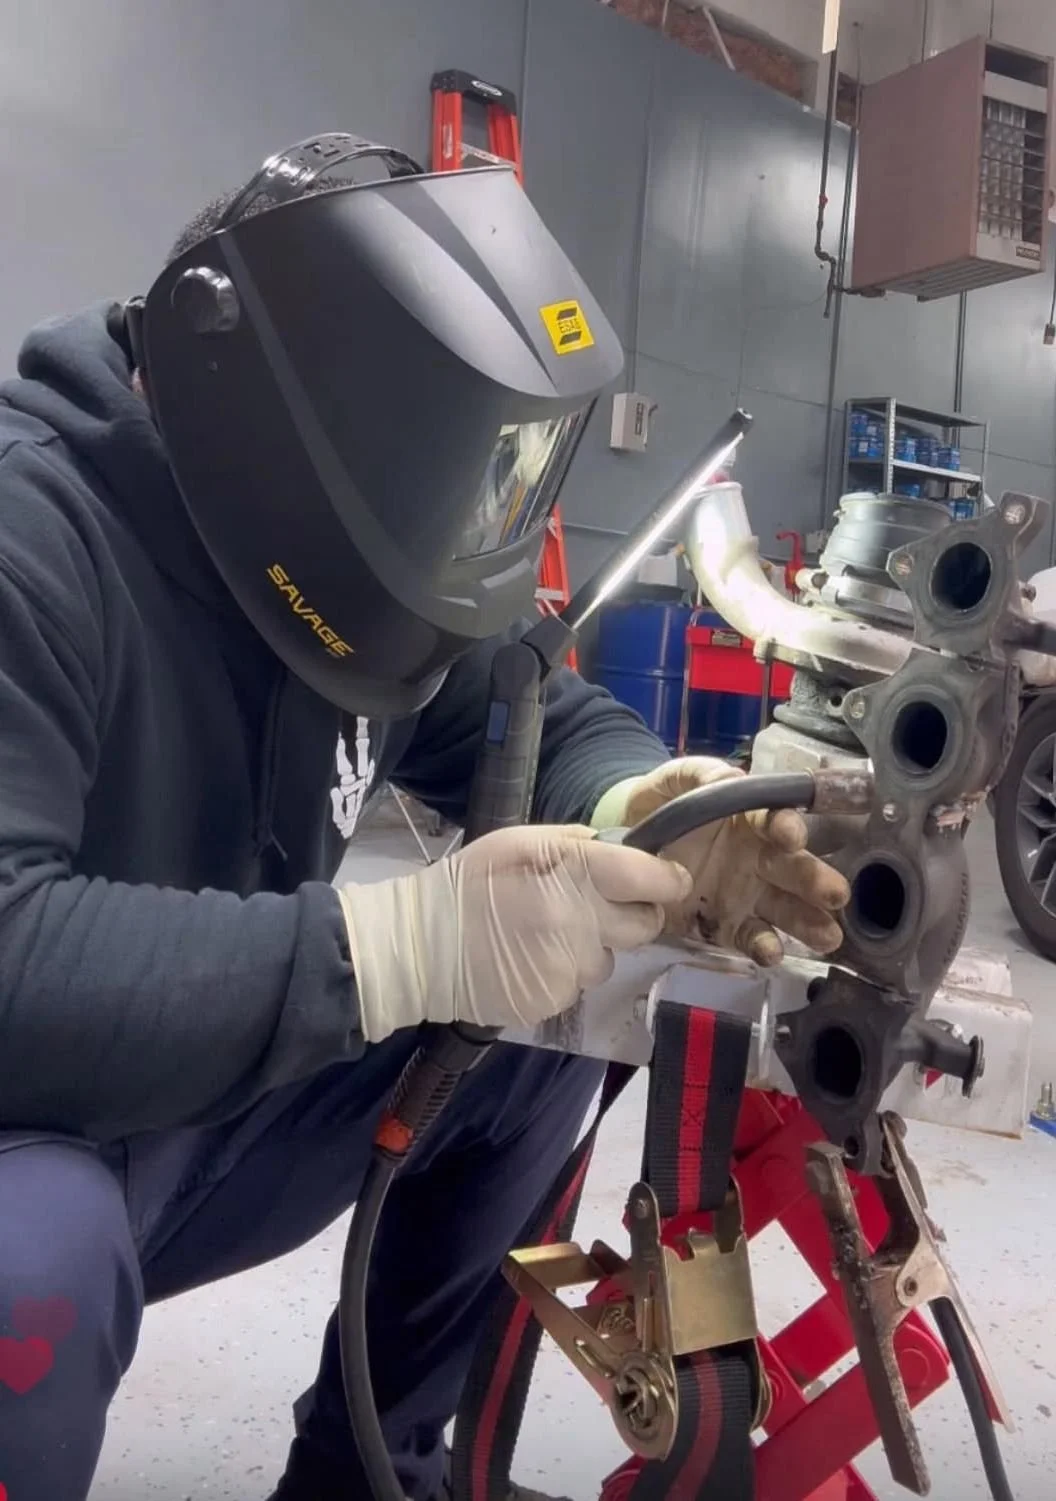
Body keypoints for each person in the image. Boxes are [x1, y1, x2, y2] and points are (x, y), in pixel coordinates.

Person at [0, 133, 848, 1501]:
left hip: (184, 1118)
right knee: (24, 1265)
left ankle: (368, 1472)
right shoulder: (32, 536)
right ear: (268, 398)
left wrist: (641, 808)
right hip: (29, 1130)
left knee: (547, 1016)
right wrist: (397, 951)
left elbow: (533, 711)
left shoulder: (349, 565)